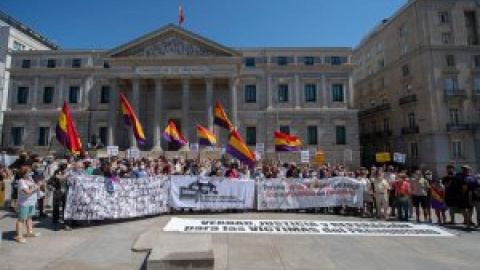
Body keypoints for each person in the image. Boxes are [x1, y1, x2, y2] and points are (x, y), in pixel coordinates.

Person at [15, 166, 40, 243]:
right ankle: (19, 236)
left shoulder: (30, 179)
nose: (30, 173)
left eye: (30, 172)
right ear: (24, 173)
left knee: (29, 217)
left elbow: (36, 187)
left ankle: (29, 232)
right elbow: (27, 191)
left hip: (31, 202)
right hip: (24, 203)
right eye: (28, 172)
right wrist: (36, 188)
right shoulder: (21, 181)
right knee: (21, 220)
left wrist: (38, 185)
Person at [48, 163, 71, 231]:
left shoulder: (69, 174)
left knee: (65, 207)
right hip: (57, 192)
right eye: (62, 168)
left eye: (65, 168)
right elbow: (49, 182)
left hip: (66, 192)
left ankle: (66, 223)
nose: (64, 170)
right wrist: (52, 188)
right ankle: (55, 220)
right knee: (56, 206)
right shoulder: (56, 174)